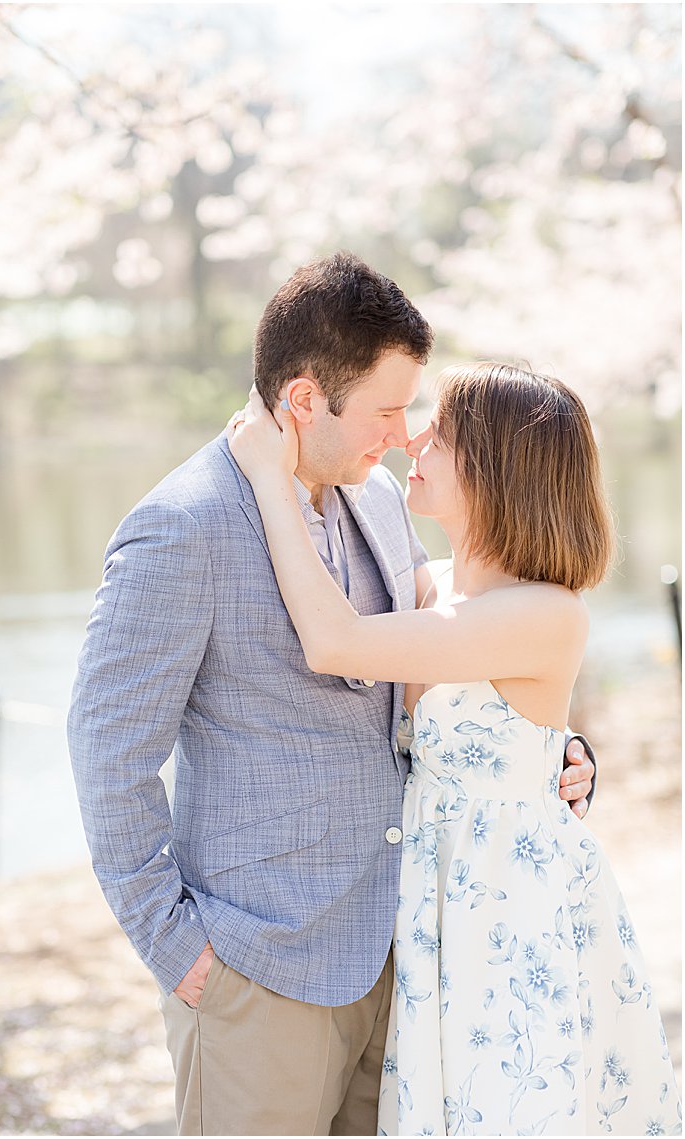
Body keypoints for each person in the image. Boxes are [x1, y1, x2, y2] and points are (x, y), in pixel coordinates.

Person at [67, 253, 596, 1136]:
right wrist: (176, 945)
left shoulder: (380, 496)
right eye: (387, 411)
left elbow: (462, 654)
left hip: (402, 960)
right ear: (305, 400)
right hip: (257, 971)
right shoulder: (182, 528)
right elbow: (105, 749)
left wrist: (555, 748)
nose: (403, 434)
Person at [229, 362, 680, 1135]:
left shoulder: (544, 612)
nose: (412, 438)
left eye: (439, 433)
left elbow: (335, 642)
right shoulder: (431, 587)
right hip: (442, 907)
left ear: (497, 468)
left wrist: (270, 481)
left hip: (514, 909)